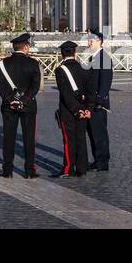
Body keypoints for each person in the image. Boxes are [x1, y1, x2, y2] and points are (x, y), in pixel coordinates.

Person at [0, 33, 41, 179]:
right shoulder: (33, 63)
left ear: (14, 47)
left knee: (8, 138)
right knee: (29, 138)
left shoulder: (2, 64)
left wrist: (11, 100)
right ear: (26, 47)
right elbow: (35, 86)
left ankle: (7, 170)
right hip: (28, 106)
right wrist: (24, 101)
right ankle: (29, 170)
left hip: (9, 106)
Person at [53, 39, 91, 178]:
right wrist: (87, 109)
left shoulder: (60, 70)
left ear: (62, 54)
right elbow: (90, 91)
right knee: (81, 138)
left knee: (69, 140)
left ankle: (68, 168)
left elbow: (66, 94)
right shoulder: (84, 68)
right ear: (75, 53)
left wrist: (76, 110)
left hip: (68, 112)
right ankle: (82, 167)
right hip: (83, 108)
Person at [84, 31, 112, 172]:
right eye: (88, 40)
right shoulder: (94, 58)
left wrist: (99, 100)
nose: (89, 43)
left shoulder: (104, 57)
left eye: (91, 41)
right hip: (91, 102)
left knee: (100, 133)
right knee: (93, 132)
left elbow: (106, 82)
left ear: (99, 41)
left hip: (98, 103)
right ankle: (97, 159)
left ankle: (103, 161)